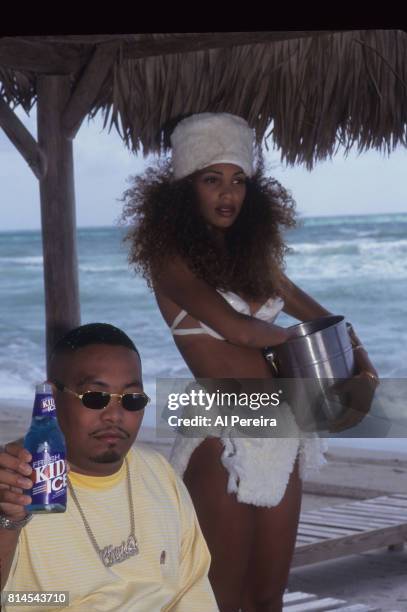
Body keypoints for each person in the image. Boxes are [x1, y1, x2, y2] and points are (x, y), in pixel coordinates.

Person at [121, 113, 379, 612]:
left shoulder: (258, 265)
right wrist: (304, 353)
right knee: (220, 599)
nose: (228, 193)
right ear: (183, 189)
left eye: (238, 179)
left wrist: (362, 368)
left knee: (268, 598)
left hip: (282, 435)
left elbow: (333, 321)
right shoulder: (170, 263)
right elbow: (239, 329)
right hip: (224, 437)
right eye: (211, 179)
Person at [0, 323, 218, 612]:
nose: (115, 415)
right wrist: (8, 521)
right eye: (95, 397)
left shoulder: (157, 472)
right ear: (50, 396)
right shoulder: (16, 480)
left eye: (132, 400)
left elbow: (192, 588)